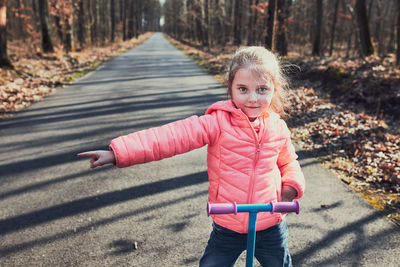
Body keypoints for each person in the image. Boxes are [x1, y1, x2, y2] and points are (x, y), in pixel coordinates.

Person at [78, 46, 305, 267]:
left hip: (270, 224)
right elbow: (170, 137)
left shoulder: (278, 128)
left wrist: (290, 188)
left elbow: (289, 163)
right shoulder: (217, 123)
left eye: (262, 89)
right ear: (231, 87)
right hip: (228, 223)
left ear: (274, 89)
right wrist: (117, 153)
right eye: (243, 89)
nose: (252, 98)